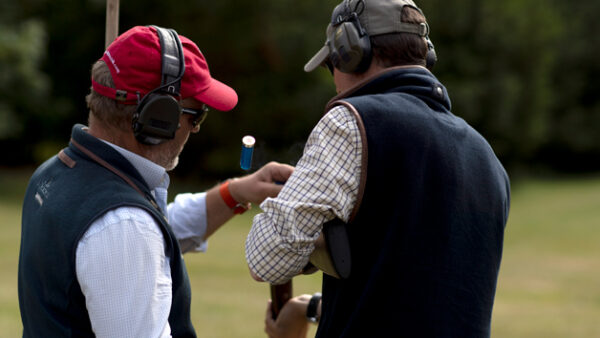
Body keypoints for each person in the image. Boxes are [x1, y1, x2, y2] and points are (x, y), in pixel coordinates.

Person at [245, 0, 510, 337]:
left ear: (349, 51)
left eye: (331, 64)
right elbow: (416, 298)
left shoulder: (349, 122)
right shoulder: (487, 157)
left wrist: (305, 210)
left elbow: (266, 257)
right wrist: (310, 308)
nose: (335, 79)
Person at [18, 25, 293, 337]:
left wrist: (235, 193)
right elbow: (130, 235)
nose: (197, 128)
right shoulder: (124, 224)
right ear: (160, 116)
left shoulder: (57, 173)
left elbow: (150, 236)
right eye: (197, 115)